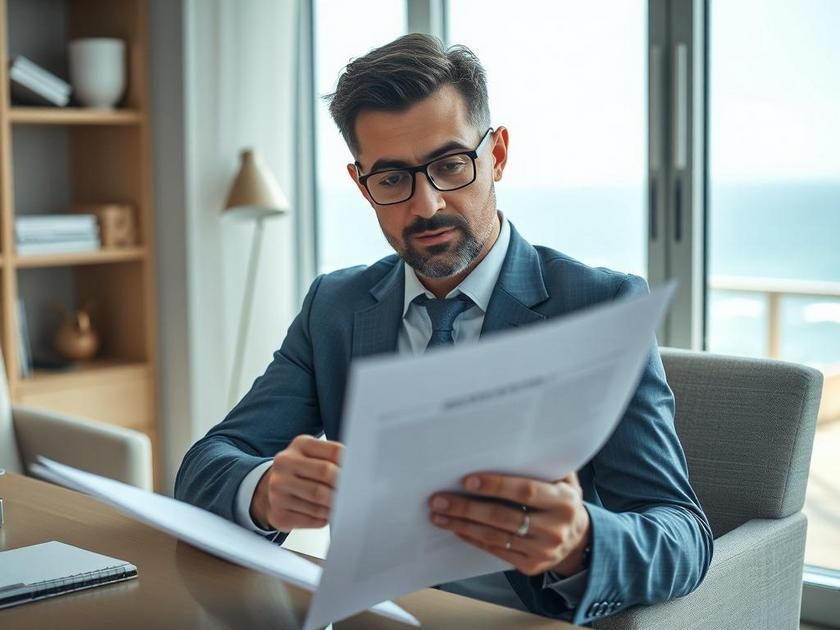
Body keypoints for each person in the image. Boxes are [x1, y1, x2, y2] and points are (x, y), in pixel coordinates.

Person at [175, 33, 713, 625]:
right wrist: (265, 491)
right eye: (391, 179)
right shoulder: (335, 308)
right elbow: (206, 465)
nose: (426, 205)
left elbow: (683, 535)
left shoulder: (599, 307)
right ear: (361, 184)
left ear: (497, 154)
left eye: (450, 166)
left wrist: (580, 542)